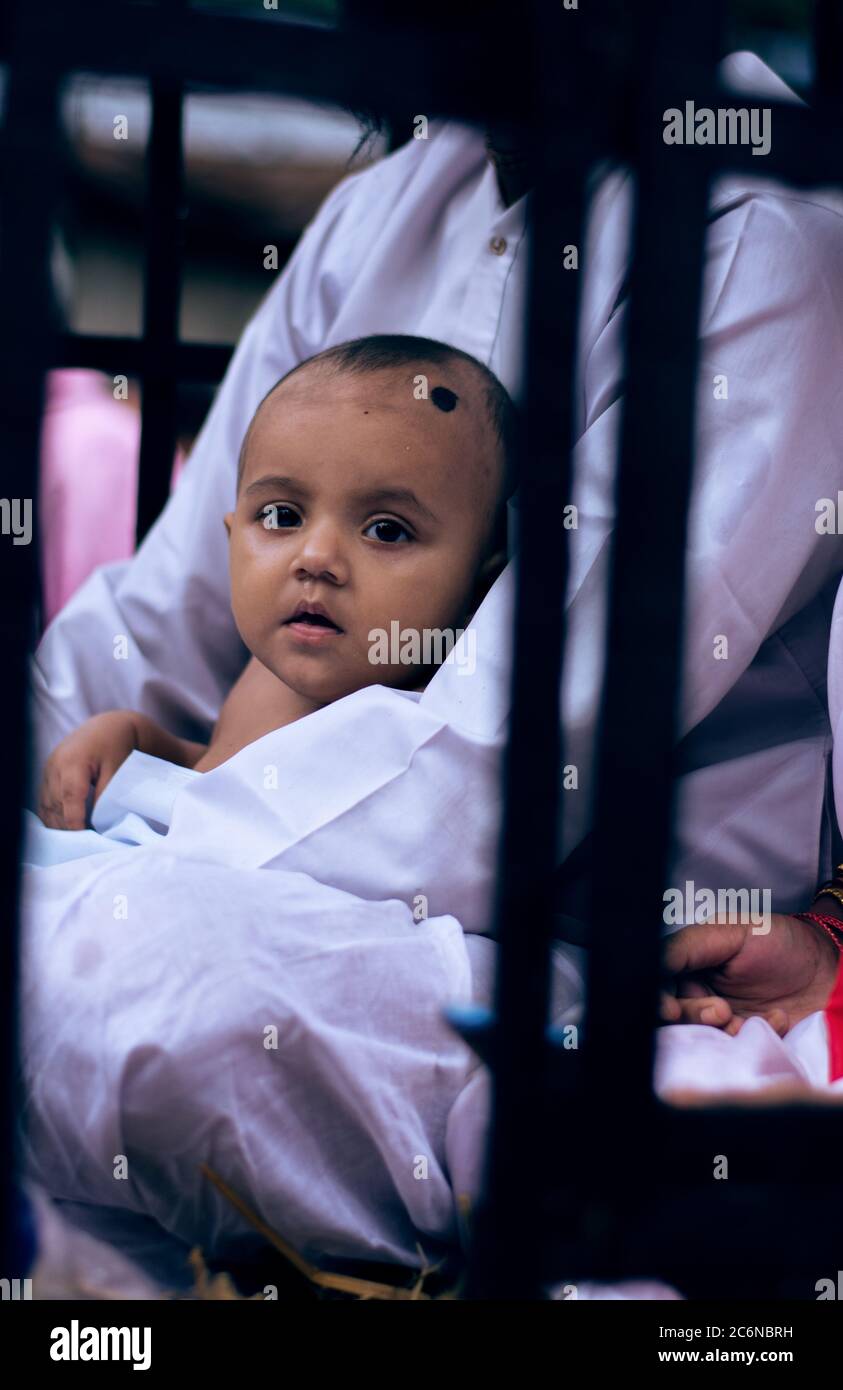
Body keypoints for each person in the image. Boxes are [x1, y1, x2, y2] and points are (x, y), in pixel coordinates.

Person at [21, 51, 843, 1277]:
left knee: (133, 982)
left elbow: (484, 769)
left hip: (552, 959)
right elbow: (170, 609)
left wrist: (110, 865)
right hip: (234, 867)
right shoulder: (399, 198)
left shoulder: (763, 242)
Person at [36, 335, 513, 828]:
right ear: (231, 541)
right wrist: (135, 739)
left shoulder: (415, 731)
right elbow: (215, 778)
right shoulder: (266, 671)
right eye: (282, 516)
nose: (316, 558)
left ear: (481, 588)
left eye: (386, 530)